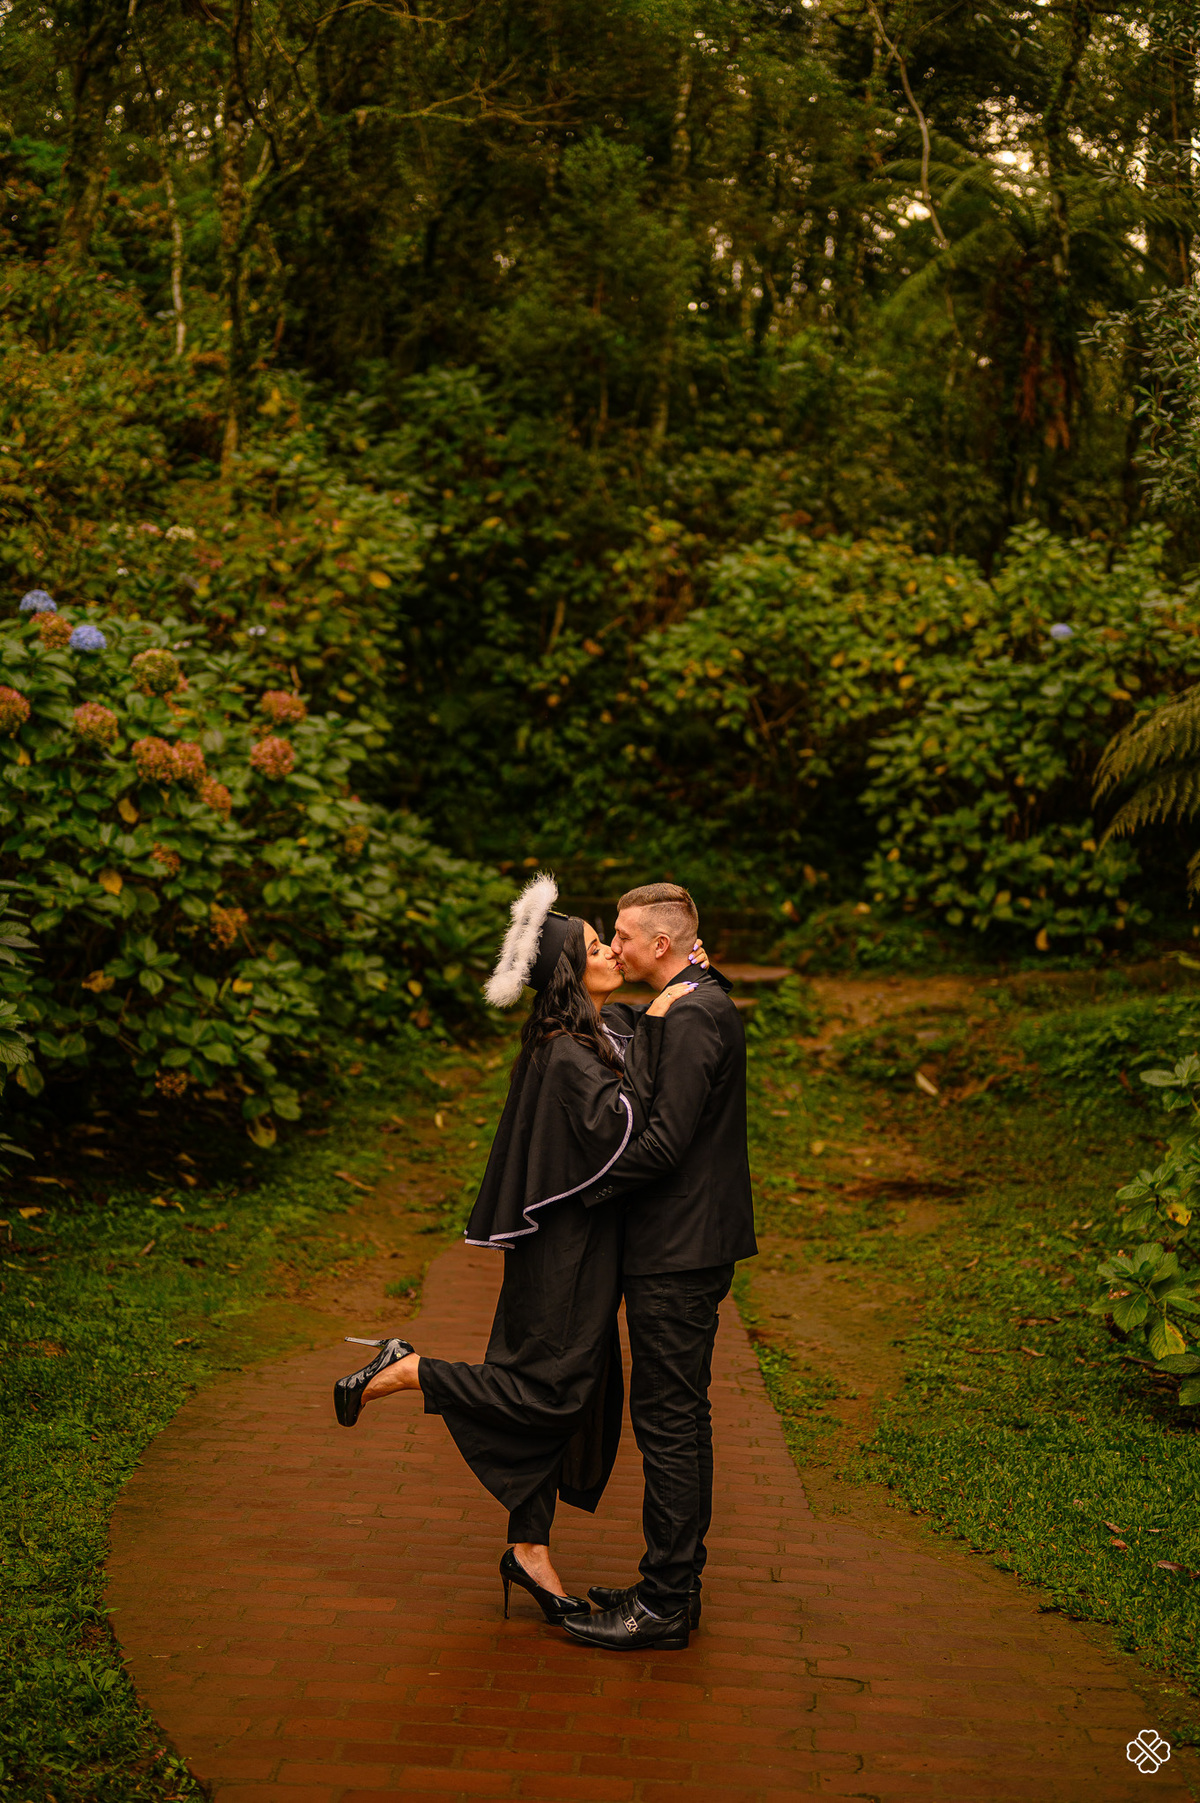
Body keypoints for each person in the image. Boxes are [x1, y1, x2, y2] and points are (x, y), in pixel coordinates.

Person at [331, 875, 697, 1625]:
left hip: (572, 1248)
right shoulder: (566, 1053)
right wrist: (672, 1015)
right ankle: (408, 1369)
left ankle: (529, 1548)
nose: (612, 951)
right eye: (599, 945)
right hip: (567, 1255)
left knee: (564, 1393)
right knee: (551, 1389)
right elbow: (623, 1126)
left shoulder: (591, 1030)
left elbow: (640, 1034)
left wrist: (680, 987)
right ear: (572, 967)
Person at [561, 881, 757, 1655]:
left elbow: (665, 1140)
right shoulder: (690, 999)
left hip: (678, 1254)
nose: (615, 945)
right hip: (683, 1248)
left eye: (622, 934)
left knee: (669, 1423)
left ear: (664, 946)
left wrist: (579, 1189)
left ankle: (666, 1601)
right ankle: (670, 1582)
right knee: (680, 1418)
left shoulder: (697, 1012)